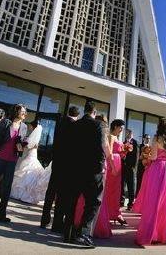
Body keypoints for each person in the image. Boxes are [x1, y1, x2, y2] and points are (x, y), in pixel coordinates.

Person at [62, 101, 106, 248]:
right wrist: (100, 168)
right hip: (92, 171)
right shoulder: (97, 125)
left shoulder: (74, 125)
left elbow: (67, 148)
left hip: (74, 170)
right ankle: (83, 233)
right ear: (94, 112)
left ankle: (67, 233)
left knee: (71, 201)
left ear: (84, 110)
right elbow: (100, 149)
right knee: (93, 202)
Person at [132, 118, 166, 246]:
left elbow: (153, 157)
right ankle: (163, 234)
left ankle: (150, 233)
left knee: (153, 201)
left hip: (157, 168)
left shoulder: (157, 138)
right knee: (165, 202)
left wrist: (147, 158)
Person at [0, 103, 28, 222]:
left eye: (25, 112)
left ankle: (2, 214)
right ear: (16, 112)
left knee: (7, 187)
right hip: (1, 156)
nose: (24, 114)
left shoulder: (24, 127)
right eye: (22, 111)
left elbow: (21, 143)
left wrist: (23, 144)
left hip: (12, 159)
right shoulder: (6, 122)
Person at [41, 105, 80, 231]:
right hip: (67, 164)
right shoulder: (74, 125)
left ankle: (44, 220)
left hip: (56, 161)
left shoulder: (60, 122)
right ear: (77, 115)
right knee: (62, 195)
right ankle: (57, 223)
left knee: (51, 192)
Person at [10, 118, 49, 204]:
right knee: (27, 170)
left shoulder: (32, 137)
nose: (29, 127)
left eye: (30, 126)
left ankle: (23, 193)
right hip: (31, 154)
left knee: (25, 170)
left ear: (33, 127)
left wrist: (21, 144)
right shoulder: (35, 137)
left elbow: (27, 146)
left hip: (30, 155)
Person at [121, 128, 138, 210]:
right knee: (122, 185)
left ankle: (130, 204)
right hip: (123, 167)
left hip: (131, 168)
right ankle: (121, 202)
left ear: (132, 134)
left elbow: (137, 155)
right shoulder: (123, 142)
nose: (128, 134)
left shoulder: (135, 142)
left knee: (131, 187)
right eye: (127, 133)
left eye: (129, 133)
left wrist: (134, 167)